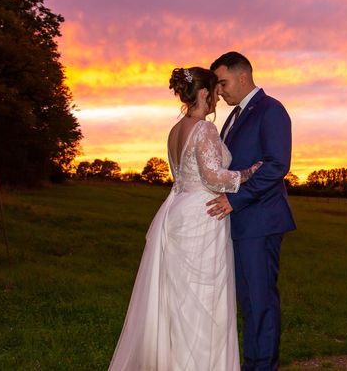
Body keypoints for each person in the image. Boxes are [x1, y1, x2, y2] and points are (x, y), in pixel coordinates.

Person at [109, 66, 261, 371]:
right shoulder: (203, 129)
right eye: (215, 94)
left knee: (179, 298)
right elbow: (214, 178)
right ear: (204, 93)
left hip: (177, 211)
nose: (218, 100)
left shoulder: (175, 130)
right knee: (202, 300)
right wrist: (249, 172)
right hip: (202, 217)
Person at [207, 52, 296, 371]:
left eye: (223, 82)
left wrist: (237, 199)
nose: (219, 91)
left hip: (260, 221)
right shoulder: (233, 117)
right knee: (248, 302)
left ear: (243, 76)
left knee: (260, 303)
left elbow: (276, 166)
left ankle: (262, 366)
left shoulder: (271, 110)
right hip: (239, 223)